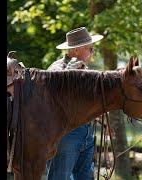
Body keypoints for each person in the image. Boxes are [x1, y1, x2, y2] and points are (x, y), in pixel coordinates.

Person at [46, 27, 103, 180]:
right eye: (90, 49)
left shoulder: (85, 68)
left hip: (86, 131)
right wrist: (69, 72)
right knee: (60, 177)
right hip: (67, 133)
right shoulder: (57, 67)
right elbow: (51, 86)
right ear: (77, 50)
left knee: (85, 177)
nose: (92, 53)